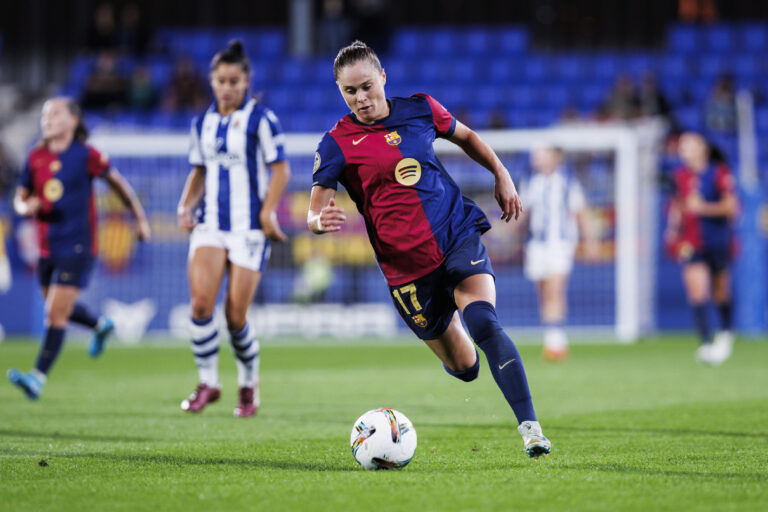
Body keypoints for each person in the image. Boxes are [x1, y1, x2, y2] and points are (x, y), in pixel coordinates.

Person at [307, 41, 550, 458]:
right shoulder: (337, 143)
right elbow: (314, 210)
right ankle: (457, 346)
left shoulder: (420, 109)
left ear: (382, 77)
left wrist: (501, 173)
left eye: (367, 86)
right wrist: (318, 222)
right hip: (406, 271)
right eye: (350, 92)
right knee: (466, 368)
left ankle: (531, 430)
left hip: (455, 234)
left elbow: (467, 136)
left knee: (485, 325)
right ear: (340, 91)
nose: (361, 98)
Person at [7, 97, 151, 400]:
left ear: (73, 121)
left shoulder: (86, 155)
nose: (47, 119)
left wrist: (139, 219)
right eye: (45, 114)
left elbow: (118, 184)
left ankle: (37, 377)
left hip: (79, 245)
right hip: (47, 247)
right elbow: (20, 197)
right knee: (59, 308)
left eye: (55, 114)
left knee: (54, 315)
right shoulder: (35, 157)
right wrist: (24, 206)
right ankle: (100, 324)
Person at [177, 40, 290, 418]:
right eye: (221, 81)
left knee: (235, 317)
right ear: (212, 82)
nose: (227, 87)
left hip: (248, 230)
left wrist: (269, 212)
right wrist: (184, 205)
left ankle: (248, 382)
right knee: (199, 304)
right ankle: (208, 382)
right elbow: (200, 170)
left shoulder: (261, 120)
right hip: (211, 224)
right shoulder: (202, 123)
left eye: (234, 81)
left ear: (246, 81)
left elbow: (280, 169)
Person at [665, 132, 738, 365]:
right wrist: (672, 227)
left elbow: (731, 207)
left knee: (720, 291)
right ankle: (706, 344)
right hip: (690, 241)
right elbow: (678, 204)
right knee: (697, 290)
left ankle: (726, 333)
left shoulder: (718, 173)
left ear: (702, 149)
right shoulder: (679, 177)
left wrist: (703, 208)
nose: (684, 150)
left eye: (689, 145)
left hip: (717, 239)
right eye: (682, 146)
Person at [519, 145, 597, 361]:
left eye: (542, 155)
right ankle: (552, 337)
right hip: (536, 244)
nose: (538, 160)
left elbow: (581, 213)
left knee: (555, 289)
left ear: (555, 159)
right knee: (543, 291)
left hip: (560, 244)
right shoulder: (530, 183)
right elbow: (523, 213)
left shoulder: (568, 184)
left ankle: (556, 342)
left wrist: (590, 240)